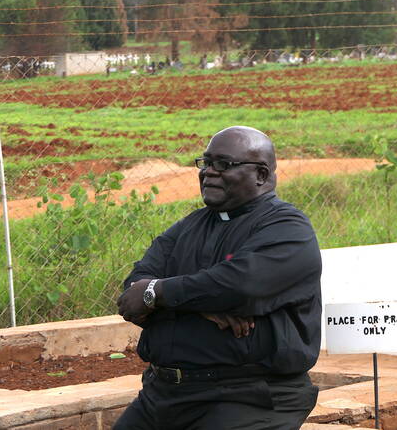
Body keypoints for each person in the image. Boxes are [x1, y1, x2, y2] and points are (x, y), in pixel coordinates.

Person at [114, 126, 322, 430]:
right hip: (163, 395)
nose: (208, 172)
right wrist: (201, 304)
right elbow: (133, 293)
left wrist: (161, 294)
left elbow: (240, 285)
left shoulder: (288, 228)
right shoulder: (189, 226)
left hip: (246, 397)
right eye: (206, 162)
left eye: (224, 164)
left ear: (261, 175)